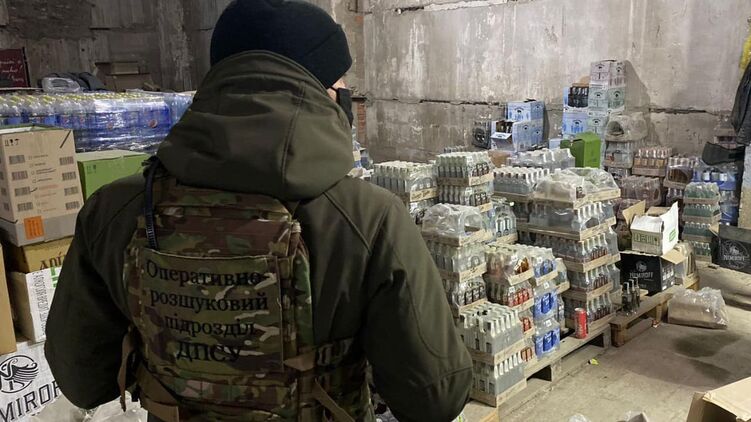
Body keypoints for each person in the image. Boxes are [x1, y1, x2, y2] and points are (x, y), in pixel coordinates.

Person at [45, 0, 473, 421]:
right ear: (321, 91)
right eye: (340, 80)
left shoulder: (113, 210)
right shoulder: (370, 219)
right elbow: (434, 399)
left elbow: (84, 381)